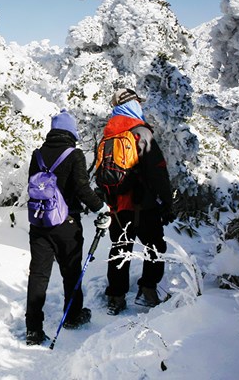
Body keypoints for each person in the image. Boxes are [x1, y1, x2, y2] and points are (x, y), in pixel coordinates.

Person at [24, 110, 110, 346]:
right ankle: (72, 316)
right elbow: (82, 189)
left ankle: (33, 328)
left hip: (39, 222)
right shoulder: (74, 155)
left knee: (38, 275)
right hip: (66, 223)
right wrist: (101, 208)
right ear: (71, 131)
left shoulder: (38, 154)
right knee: (70, 272)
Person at [100, 88, 174, 313]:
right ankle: (148, 291)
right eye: (138, 103)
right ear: (133, 105)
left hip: (117, 206)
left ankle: (116, 296)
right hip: (144, 205)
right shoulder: (141, 132)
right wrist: (167, 202)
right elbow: (158, 171)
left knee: (120, 249)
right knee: (155, 247)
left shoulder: (108, 134)